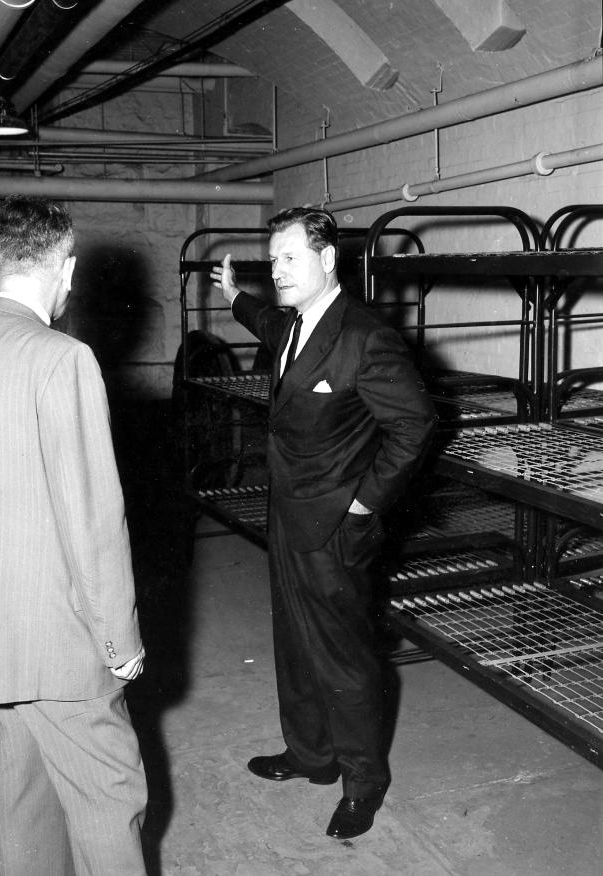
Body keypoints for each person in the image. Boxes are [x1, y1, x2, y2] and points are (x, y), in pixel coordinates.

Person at [0, 195, 147, 874]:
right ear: (67, 270)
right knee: (108, 800)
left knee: (21, 800)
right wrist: (119, 639)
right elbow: (93, 518)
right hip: (59, 641)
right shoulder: (63, 358)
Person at [211, 207, 437, 840]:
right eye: (273, 258)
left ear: (327, 259)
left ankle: (363, 784)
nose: (277, 270)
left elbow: (415, 425)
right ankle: (310, 754)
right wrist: (234, 296)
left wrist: (365, 502)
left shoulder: (364, 337)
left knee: (343, 660)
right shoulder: (288, 322)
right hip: (287, 513)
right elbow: (262, 316)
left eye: (289, 258)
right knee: (293, 639)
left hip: (337, 525)